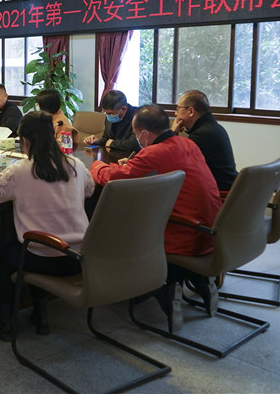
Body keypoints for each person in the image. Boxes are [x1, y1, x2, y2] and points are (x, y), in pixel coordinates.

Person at [90, 104, 223, 328]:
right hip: (210, 231)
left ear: (144, 134)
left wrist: (97, 166)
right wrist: (135, 164)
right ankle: (197, 278)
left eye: (136, 134)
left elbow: (114, 178)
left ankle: (152, 287)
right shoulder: (188, 144)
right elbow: (162, 164)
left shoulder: (154, 153)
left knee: (115, 223)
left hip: (182, 236)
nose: (137, 138)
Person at [0, 111, 95, 341]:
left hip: (43, 257)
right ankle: (40, 313)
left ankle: (4, 321)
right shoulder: (76, 165)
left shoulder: (20, 170)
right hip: (79, 257)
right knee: (35, 245)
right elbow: (89, 190)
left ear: (25, 141)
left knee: (8, 253)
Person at [173, 90, 238, 191]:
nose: (175, 113)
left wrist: (172, 133)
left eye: (178, 108)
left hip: (219, 193)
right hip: (229, 188)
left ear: (191, 111)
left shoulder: (202, 135)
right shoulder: (213, 127)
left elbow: (175, 163)